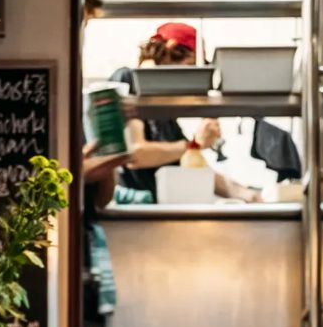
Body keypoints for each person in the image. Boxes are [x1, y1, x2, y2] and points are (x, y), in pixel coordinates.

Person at [99, 21, 262, 205]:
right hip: (127, 212)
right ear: (171, 50)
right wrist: (195, 143)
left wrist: (244, 193)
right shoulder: (127, 80)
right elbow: (135, 154)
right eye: (191, 65)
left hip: (153, 214)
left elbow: (191, 165)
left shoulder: (165, 114)